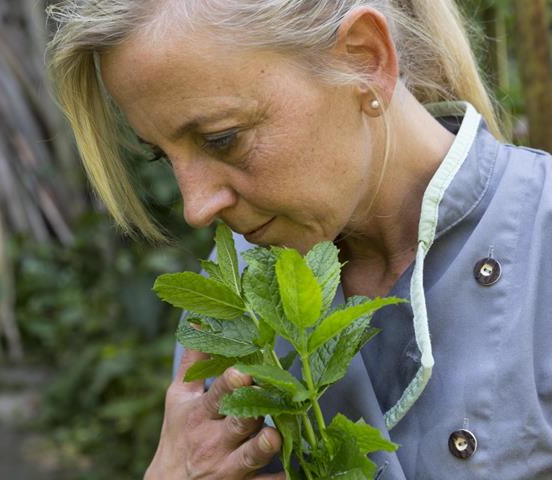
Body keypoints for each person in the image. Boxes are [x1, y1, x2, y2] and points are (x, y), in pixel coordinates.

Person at [46, 1, 552, 478]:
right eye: (162, 155)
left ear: (365, 58)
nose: (197, 208)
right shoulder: (235, 295)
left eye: (222, 137)